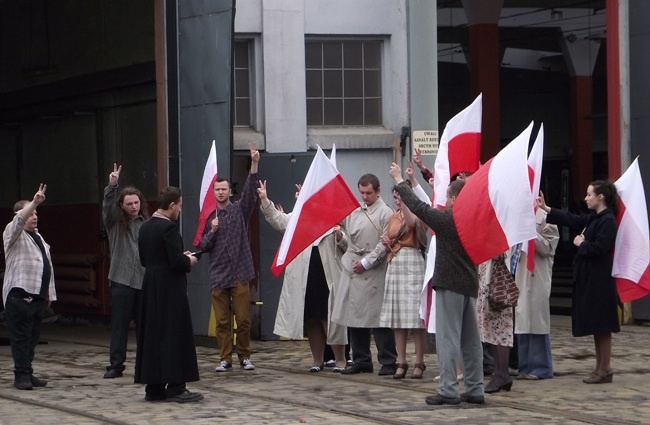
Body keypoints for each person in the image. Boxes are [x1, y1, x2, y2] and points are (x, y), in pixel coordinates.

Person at [389, 163, 484, 406]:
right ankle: (474, 388)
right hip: (469, 283)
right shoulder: (474, 219)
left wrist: (401, 180)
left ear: (452, 198)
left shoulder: (449, 219)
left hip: (450, 283)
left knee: (448, 338)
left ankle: (449, 389)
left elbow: (420, 208)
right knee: (471, 340)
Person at [258, 180, 348, 372]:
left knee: (330, 318)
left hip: (327, 274)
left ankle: (340, 360)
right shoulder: (297, 218)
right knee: (312, 318)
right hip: (306, 275)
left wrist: (340, 236)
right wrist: (265, 200)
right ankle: (318, 361)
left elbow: (348, 244)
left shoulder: (333, 218)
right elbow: (278, 220)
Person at [538, 181, 619, 384]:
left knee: (602, 325)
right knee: (596, 324)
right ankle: (600, 367)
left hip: (600, 278)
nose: (586, 198)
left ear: (601, 197)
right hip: (590, 278)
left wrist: (582, 244)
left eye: (589, 194)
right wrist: (547, 208)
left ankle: (605, 368)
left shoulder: (607, 220)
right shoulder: (594, 218)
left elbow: (600, 247)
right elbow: (573, 219)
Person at [135, 186, 202, 402]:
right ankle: (176, 386)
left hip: (151, 285)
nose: (179, 211)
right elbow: (177, 262)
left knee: (153, 334)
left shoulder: (145, 227)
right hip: (170, 289)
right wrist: (189, 260)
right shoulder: (169, 229)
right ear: (172, 205)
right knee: (174, 333)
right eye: (179, 207)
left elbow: (145, 259)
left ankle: (153, 387)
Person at [198, 143, 259, 372]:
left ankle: (244, 356)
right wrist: (212, 231)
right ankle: (225, 358)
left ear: (229, 191)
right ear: (213, 193)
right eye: (217, 190)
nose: (221, 192)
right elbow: (202, 246)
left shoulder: (238, 211)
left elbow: (250, 195)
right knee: (222, 321)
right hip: (218, 273)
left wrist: (254, 164)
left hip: (240, 271)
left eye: (224, 189)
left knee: (243, 319)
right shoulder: (209, 218)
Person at [331, 173, 398, 376]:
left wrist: (368, 262)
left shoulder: (386, 213)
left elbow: (386, 241)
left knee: (377, 316)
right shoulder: (355, 211)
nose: (365, 196)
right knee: (354, 315)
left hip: (372, 268)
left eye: (368, 193)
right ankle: (360, 359)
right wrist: (341, 237)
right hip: (353, 265)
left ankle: (388, 360)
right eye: (362, 193)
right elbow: (350, 242)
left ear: (377, 191)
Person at [3, 184, 56, 390]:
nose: (34, 216)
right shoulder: (13, 233)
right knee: (21, 337)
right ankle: (21, 375)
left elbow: (46, 264)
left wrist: (49, 293)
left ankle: (27, 371)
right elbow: (17, 222)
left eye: (36, 213)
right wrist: (34, 201)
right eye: (31, 213)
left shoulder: (39, 236)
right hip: (20, 294)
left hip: (37, 296)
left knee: (33, 337)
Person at [379, 176, 428, 380]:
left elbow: (412, 224)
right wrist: (385, 241)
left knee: (415, 317)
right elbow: (389, 235)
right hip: (395, 262)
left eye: (400, 197)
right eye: (396, 198)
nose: (397, 201)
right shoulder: (392, 217)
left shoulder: (418, 212)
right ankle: (401, 360)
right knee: (398, 317)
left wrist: (407, 202)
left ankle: (419, 360)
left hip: (412, 262)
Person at [102, 163, 149, 379]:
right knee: (119, 326)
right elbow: (107, 207)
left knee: (144, 327)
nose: (133, 206)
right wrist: (112, 186)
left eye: (136, 203)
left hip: (142, 280)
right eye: (129, 203)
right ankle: (116, 365)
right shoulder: (114, 223)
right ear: (122, 205)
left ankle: (144, 364)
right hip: (121, 279)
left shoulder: (146, 224)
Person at [509, 209, 559, 380]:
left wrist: (530, 231)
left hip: (536, 275)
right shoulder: (515, 216)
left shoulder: (544, 217)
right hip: (519, 275)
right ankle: (524, 365)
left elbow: (549, 246)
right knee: (522, 319)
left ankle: (541, 367)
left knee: (537, 319)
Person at [476, 254, 515, 393]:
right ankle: (499, 372)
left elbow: (503, 253)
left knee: (501, 328)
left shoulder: (505, 232)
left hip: (498, 280)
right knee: (490, 328)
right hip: (486, 276)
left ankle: (502, 373)